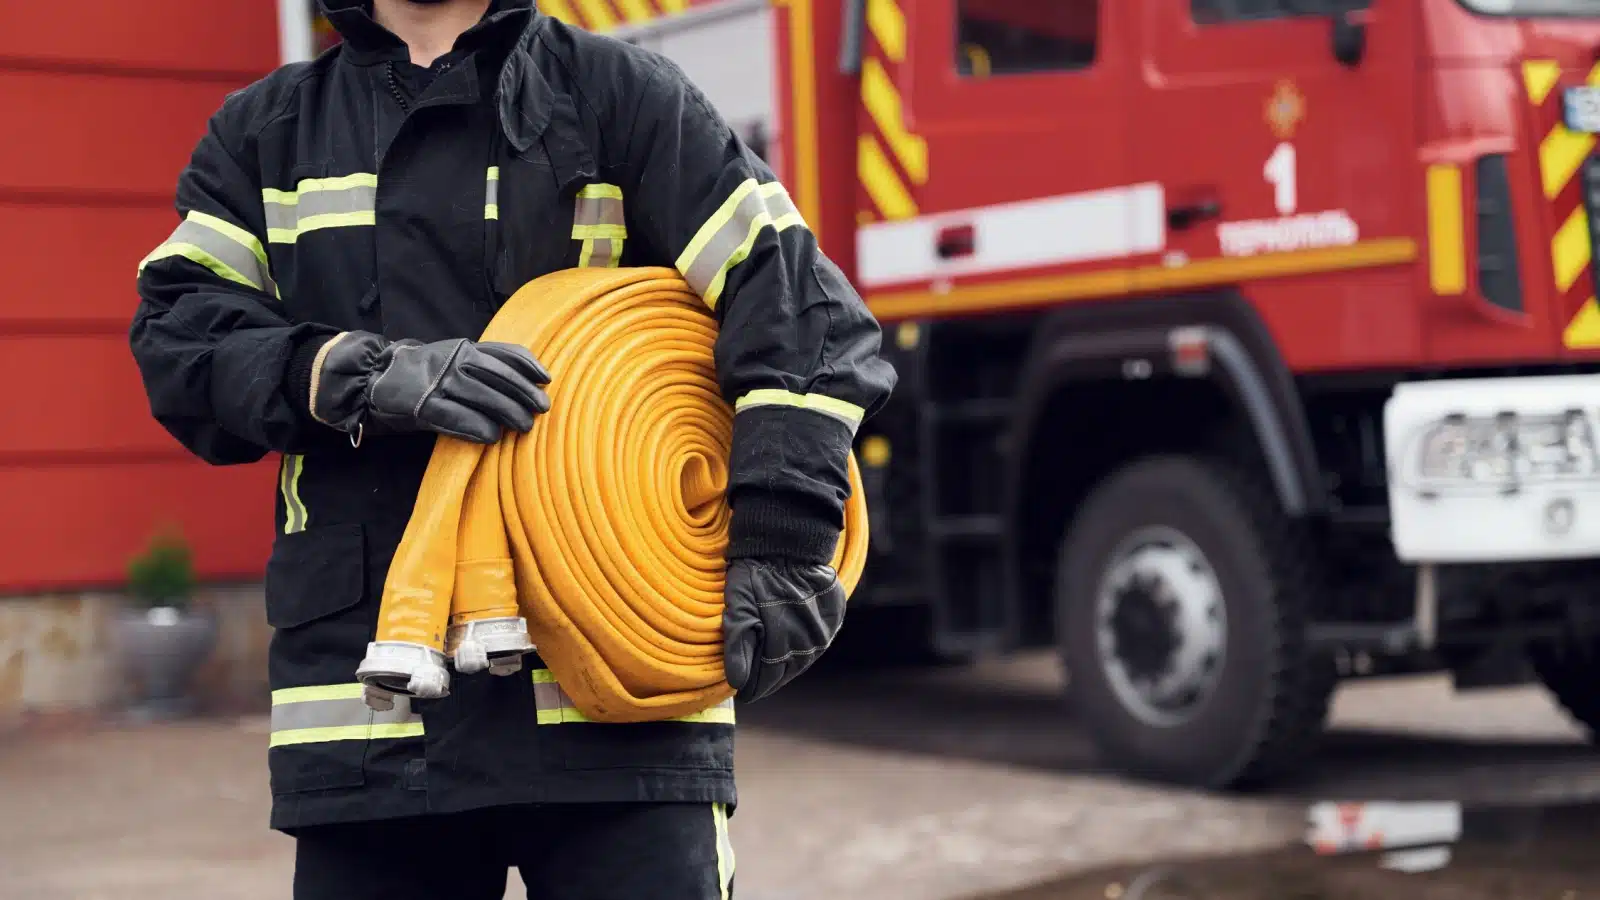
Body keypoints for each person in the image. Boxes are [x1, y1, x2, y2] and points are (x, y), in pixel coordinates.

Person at [127, 1, 897, 897]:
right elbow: (179, 339)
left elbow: (803, 311)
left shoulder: (621, 97)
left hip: (621, 718)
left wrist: (784, 536)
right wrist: (352, 372)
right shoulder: (266, 133)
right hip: (372, 728)